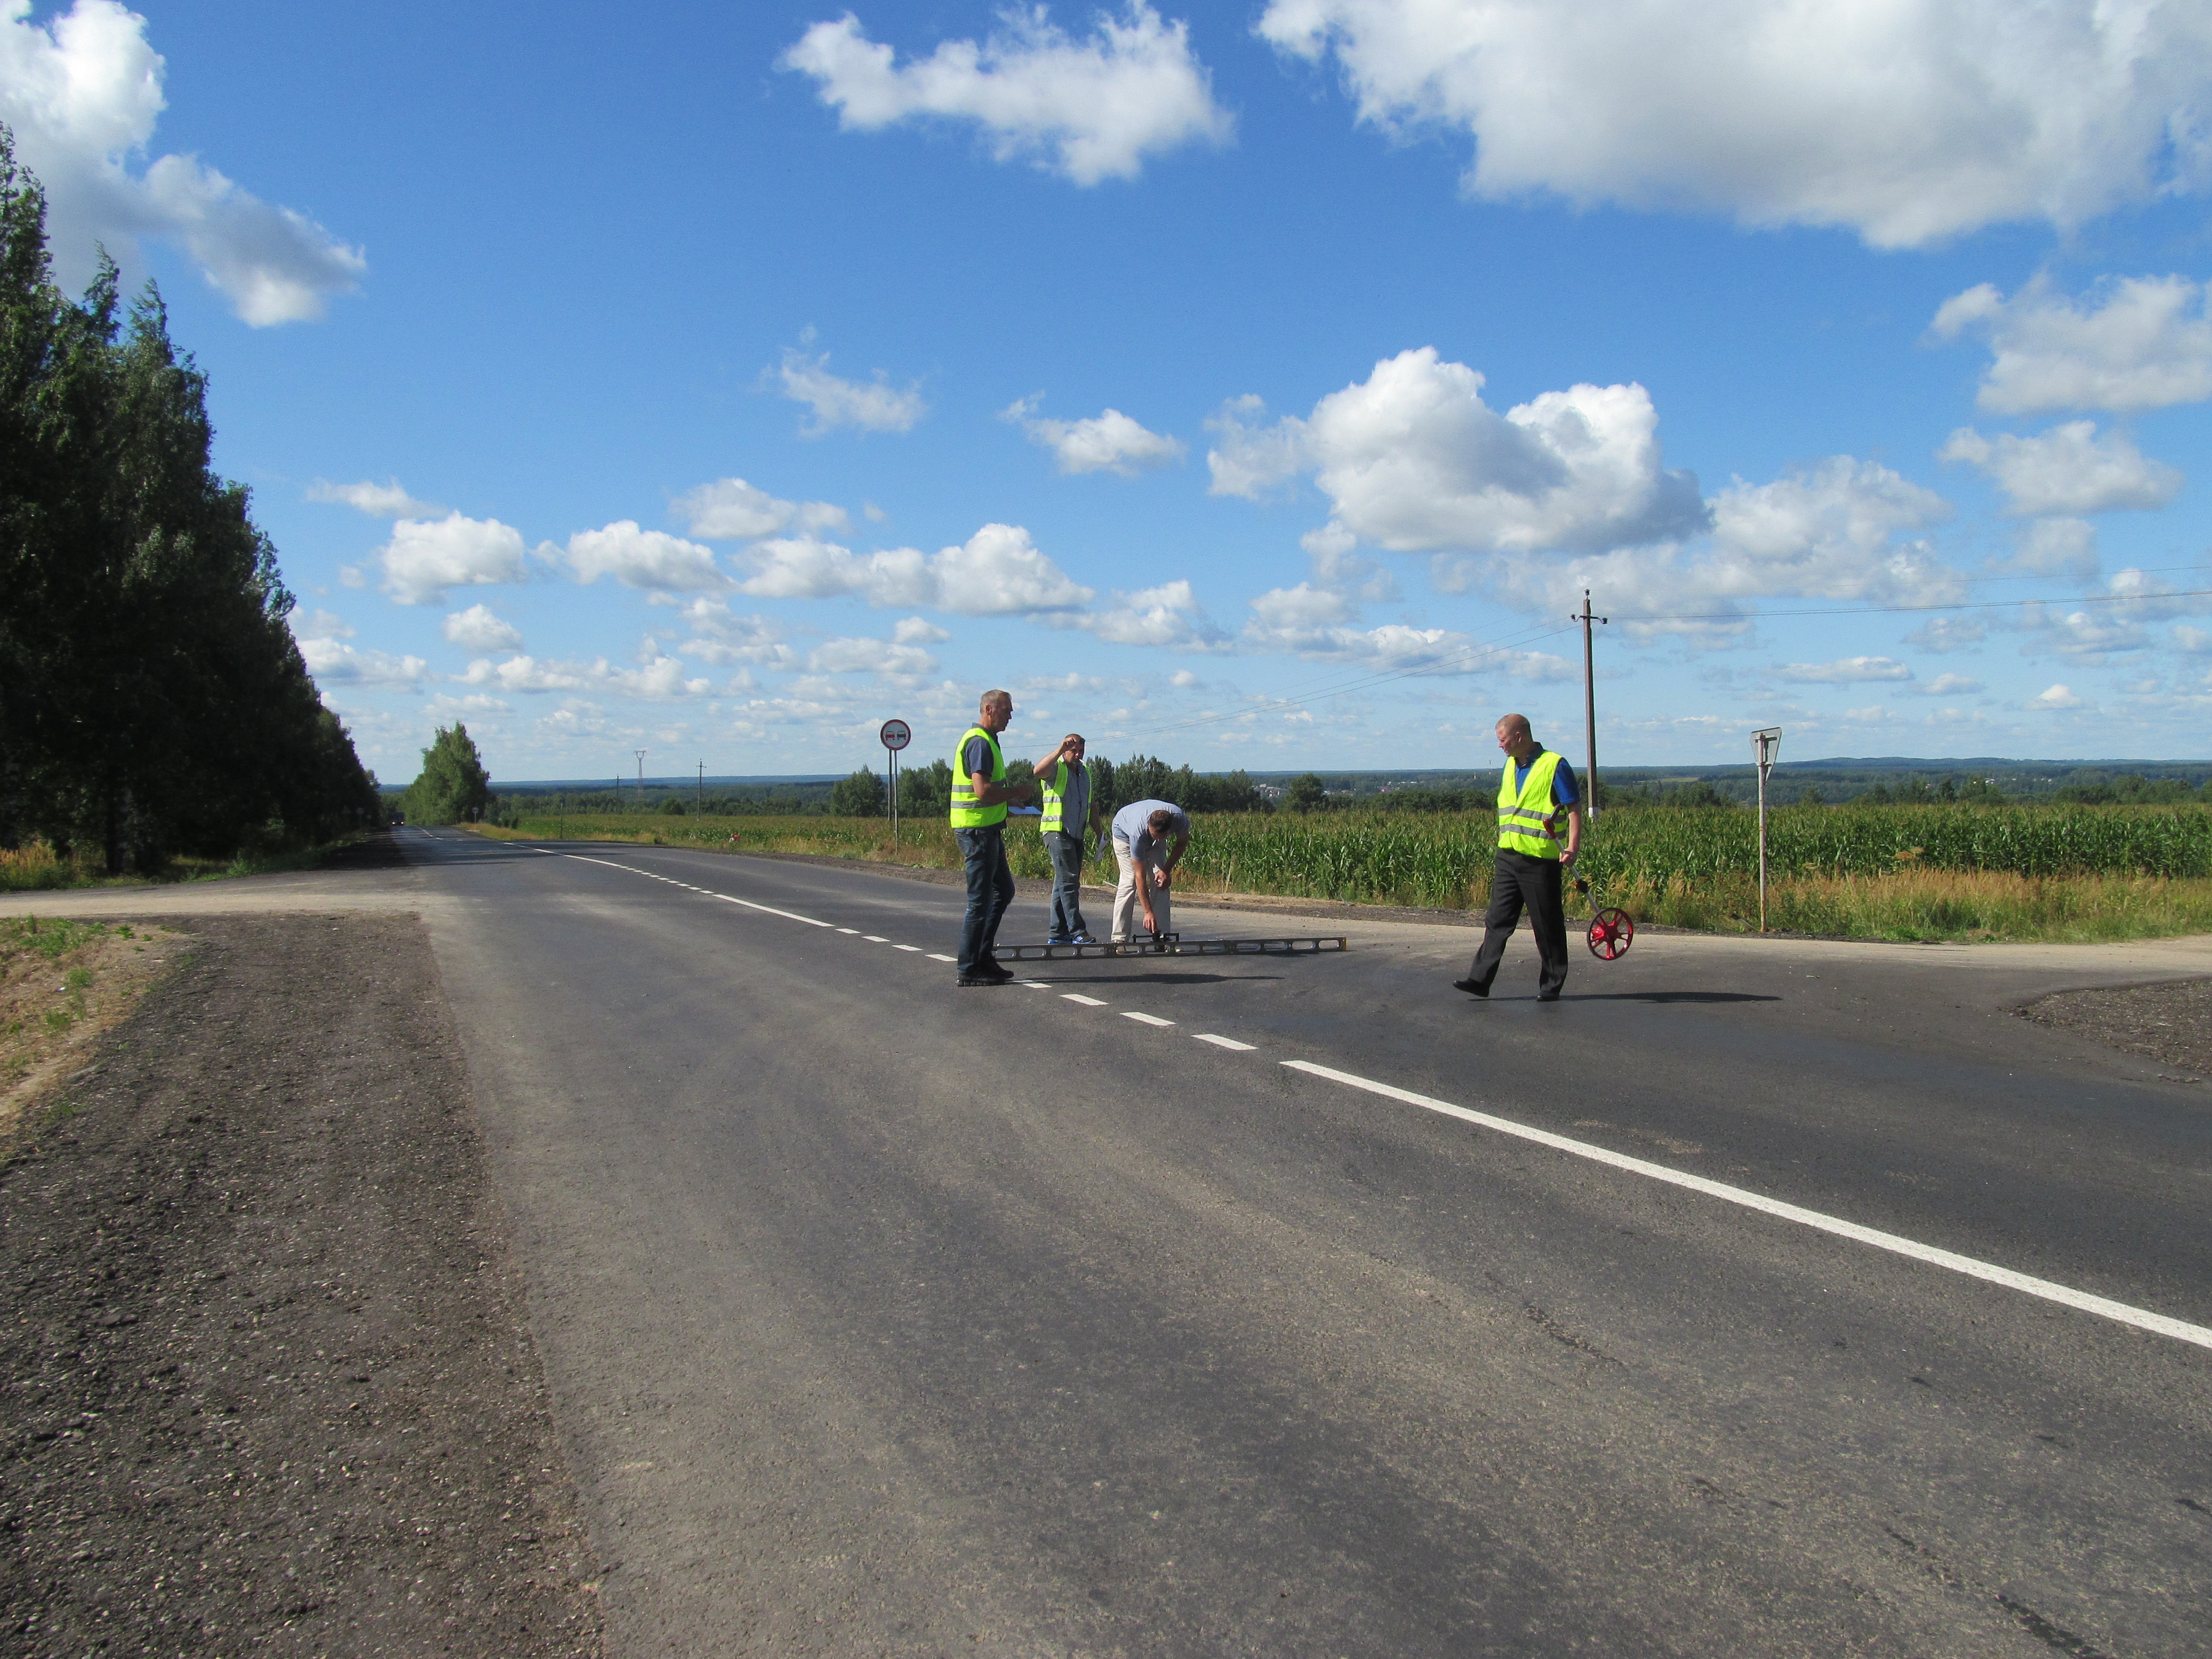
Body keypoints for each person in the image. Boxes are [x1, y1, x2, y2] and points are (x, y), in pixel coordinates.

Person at [1455, 713, 1581, 1002]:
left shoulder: (1554, 765)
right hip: (1508, 856)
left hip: (1539, 860)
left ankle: (1551, 985)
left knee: (1546, 925)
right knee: (1497, 920)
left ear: (1519, 737)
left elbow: (1574, 808)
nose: (1500, 746)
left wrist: (1572, 848)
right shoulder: (1510, 766)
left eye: (1503, 739)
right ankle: (1479, 980)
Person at [950, 689, 1037, 986]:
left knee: (1003, 891)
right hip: (977, 831)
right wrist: (1016, 792)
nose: (1011, 716)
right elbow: (982, 792)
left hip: (986, 829)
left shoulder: (987, 741)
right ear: (989, 709)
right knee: (981, 900)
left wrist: (1011, 802)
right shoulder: (980, 743)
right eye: (1007, 710)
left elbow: (988, 793)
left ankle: (983, 958)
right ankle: (969, 968)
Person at [1032, 732, 1102, 944]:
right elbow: (1038, 771)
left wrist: (1100, 834)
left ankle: (1057, 932)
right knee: (1070, 881)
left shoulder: (1086, 772)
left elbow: (1090, 806)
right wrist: (1060, 750)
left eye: (1081, 750)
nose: (1078, 754)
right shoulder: (1057, 767)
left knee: (1062, 883)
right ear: (1066, 750)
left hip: (1077, 834)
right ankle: (1077, 930)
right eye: (1074, 750)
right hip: (1057, 831)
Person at [1109, 798, 1190, 943]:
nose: (1158, 839)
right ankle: (1119, 938)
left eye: (1162, 836)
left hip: (1148, 830)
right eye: (1155, 835)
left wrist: (1166, 870)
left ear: (1170, 829)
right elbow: (1140, 876)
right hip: (1124, 834)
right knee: (1129, 881)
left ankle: (1163, 935)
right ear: (1148, 825)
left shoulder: (1179, 818)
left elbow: (1182, 843)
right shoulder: (1137, 834)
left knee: (1161, 881)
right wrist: (1147, 912)